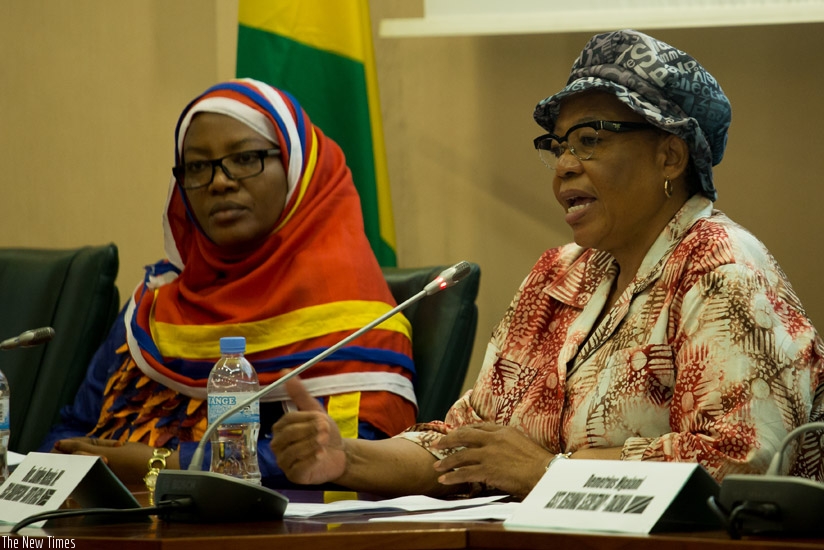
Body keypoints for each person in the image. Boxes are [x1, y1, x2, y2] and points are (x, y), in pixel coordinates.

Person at [270, 29, 824, 499]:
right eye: (558, 146)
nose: (563, 168)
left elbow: (740, 464)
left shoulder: (720, 269)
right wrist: (346, 459)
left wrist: (549, 474)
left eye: (588, 141)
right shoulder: (559, 276)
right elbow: (469, 440)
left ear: (670, 156)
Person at [41, 79, 418, 489]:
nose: (220, 182)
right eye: (199, 166)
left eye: (245, 158)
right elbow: (72, 429)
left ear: (296, 169)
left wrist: (161, 466)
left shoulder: (354, 314)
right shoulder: (155, 304)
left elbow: (345, 456)